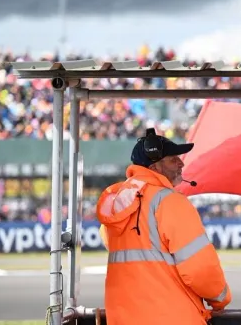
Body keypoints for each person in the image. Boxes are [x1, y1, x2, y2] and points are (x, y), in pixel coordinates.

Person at [96, 129, 232, 325]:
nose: (181, 163)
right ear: (155, 167)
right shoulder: (170, 202)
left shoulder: (117, 204)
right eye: (172, 159)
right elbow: (200, 268)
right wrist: (220, 299)